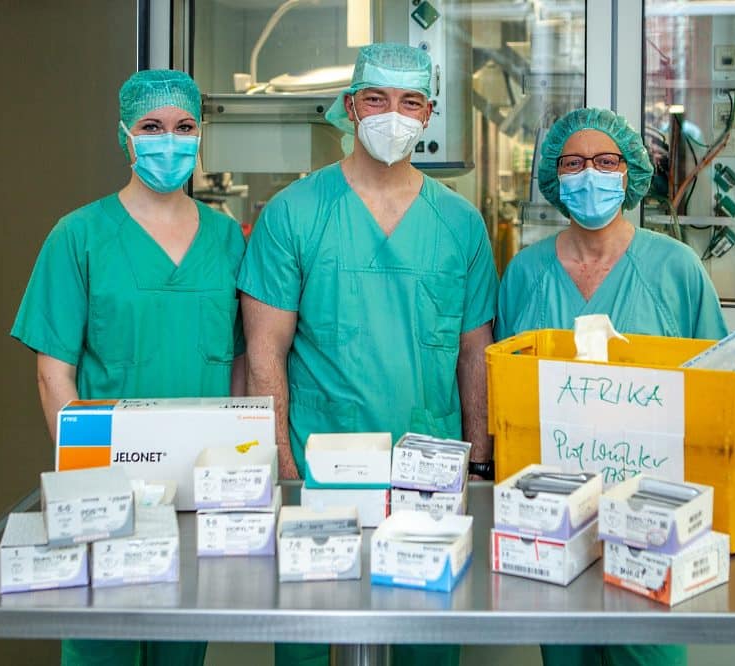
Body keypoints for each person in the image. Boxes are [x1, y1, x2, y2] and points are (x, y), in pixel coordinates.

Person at [238, 43, 498, 666]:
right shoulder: (295, 213)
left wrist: (478, 465)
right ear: (350, 107)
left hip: (429, 471)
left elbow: (474, 353)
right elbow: (264, 353)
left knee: (427, 641)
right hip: (317, 467)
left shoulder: (460, 223)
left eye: (410, 102)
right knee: (306, 636)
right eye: (376, 99)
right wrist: (284, 471)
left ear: (428, 113)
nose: (393, 114)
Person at [11, 69, 246, 666]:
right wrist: (90, 484)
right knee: (102, 641)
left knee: (182, 645)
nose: (170, 140)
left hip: (196, 491)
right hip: (107, 493)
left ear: (201, 134)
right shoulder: (79, 236)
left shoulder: (227, 239)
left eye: (184, 127)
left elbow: (241, 367)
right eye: (153, 126)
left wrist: (235, 475)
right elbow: (53, 374)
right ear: (126, 136)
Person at [496, 107, 728, 666]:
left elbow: (718, 393)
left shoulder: (676, 269)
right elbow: (506, 394)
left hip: (653, 525)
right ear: (554, 178)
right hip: (555, 522)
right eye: (573, 164)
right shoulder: (525, 274)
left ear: (629, 173)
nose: (589, 175)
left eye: (605, 161)